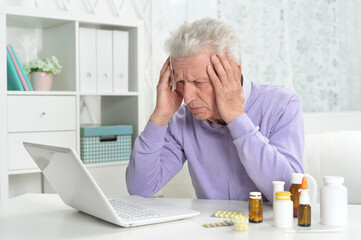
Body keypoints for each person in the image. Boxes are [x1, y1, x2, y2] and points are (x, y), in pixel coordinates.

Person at [126, 18, 304, 201]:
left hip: (267, 227)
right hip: (210, 227)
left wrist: (236, 118)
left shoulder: (282, 106)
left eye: (198, 82)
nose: (187, 98)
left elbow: (290, 194)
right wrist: (160, 116)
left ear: (233, 74)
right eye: (180, 82)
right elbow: (140, 189)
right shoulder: (182, 120)